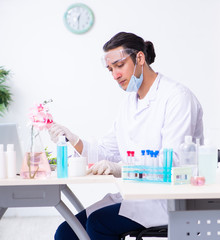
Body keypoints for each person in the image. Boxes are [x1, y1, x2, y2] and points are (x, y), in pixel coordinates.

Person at [49, 32, 204, 239]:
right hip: (134, 195)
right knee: (66, 232)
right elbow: (107, 152)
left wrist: (122, 169)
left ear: (139, 58)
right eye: (110, 69)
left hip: (167, 199)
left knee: (98, 224)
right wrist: (74, 140)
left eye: (119, 65)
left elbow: (174, 162)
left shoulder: (177, 98)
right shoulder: (129, 104)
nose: (115, 75)